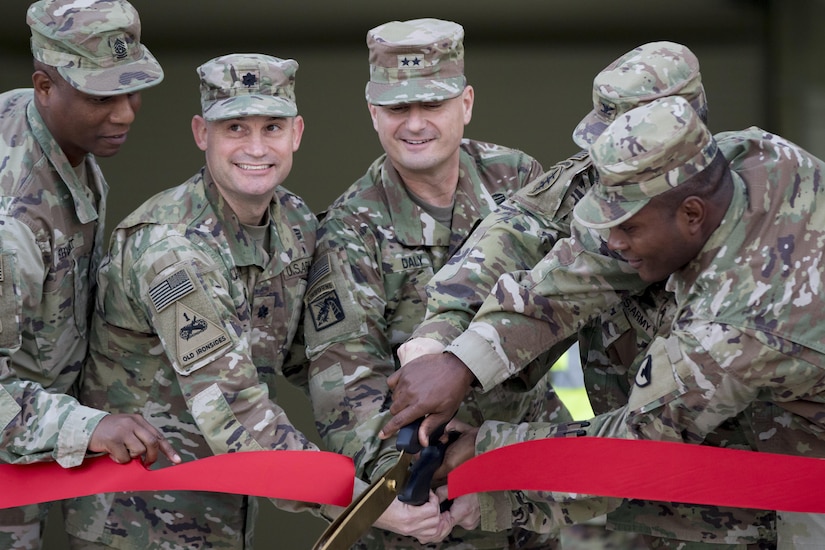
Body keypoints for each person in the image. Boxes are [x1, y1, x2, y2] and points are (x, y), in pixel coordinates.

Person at [390, 94, 825, 547]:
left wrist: (489, 453)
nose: (612, 244)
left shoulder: (735, 327)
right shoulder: (751, 158)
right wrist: (460, 358)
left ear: (693, 214)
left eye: (629, 228)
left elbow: (630, 451)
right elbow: (582, 264)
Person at [61, 53, 445, 550]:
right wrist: (365, 501)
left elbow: (325, 360)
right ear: (202, 133)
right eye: (235, 128)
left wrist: (408, 434)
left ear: (297, 133)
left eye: (272, 127)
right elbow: (234, 411)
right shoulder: (170, 249)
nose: (256, 148)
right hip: (136, 524)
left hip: (227, 513)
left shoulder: (296, 224)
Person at [302, 17, 561, 549]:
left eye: (433, 105)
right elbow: (345, 379)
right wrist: (398, 489)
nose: (415, 123)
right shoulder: (350, 228)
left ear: (465, 104)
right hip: (422, 503)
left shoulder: (518, 180)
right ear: (374, 114)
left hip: (523, 479)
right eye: (398, 108)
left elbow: (564, 301)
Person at [0, 1, 179, 548]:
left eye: (133, 89)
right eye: (102, 96)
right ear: (45, 86)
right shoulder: (11, 223)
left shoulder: (57, 136)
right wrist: (88, 427)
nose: (125, 113)